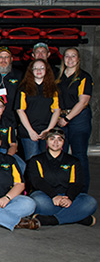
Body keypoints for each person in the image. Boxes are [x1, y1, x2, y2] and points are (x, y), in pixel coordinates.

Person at [27, 129, 96, 227]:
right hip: (47, 197)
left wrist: (69, 198)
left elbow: (77, 183)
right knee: (36, 200)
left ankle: (54, 219)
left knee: (90, 202)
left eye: (59, 139)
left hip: (67, 198)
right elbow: (37, 181)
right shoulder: (36, 160)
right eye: (52, 139)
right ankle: (78, 216)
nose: (56, 142)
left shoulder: (73, 161)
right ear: (46, 141)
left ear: (64, 142)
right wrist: (54, 196)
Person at [56, 47, 93, 193]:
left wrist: (67, 118)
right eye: (67, 56)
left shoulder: (84, 77)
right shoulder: (58, 77)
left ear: (78, 59)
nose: (70, 59)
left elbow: (83, 102)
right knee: (60, 155)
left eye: (73, 56)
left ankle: (82, 191)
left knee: (79, 155)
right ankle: (62, 188)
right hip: (61, 118)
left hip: (78, 118)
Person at [15, 59, 60, 160]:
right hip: (28, 132)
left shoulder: (53, 89)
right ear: (31, 71)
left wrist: (48, 130)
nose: (38, 70)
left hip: (47, 131)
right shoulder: (23, 89)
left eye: (42, 68)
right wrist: (31, 131)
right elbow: (20, 110)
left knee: (47, 160)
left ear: (46, 70)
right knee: (32, 160)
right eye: (35, 68)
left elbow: (57, 110)